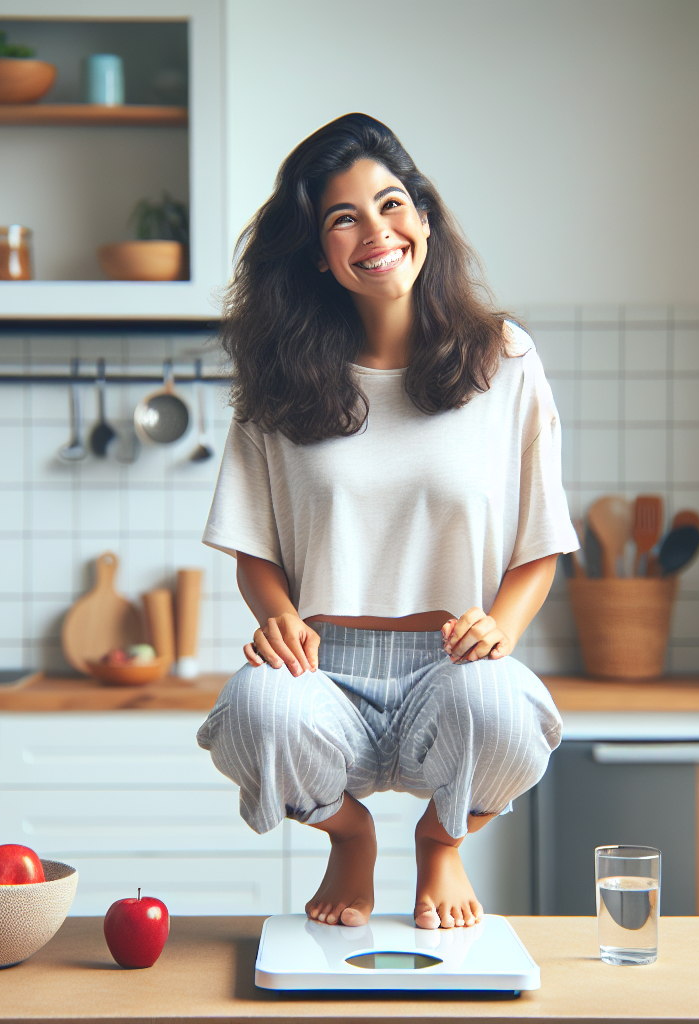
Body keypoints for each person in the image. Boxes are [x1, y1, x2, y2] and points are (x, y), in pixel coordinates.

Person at [197, 113, 578, 930]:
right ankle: (351, 836)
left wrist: (501, 628)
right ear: (318, 252)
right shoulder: (280, 379)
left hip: (451, 664)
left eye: (392, 202)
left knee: (506, 707)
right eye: (344, 219)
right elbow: (252, 545)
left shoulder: (504, 360)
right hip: (323, 671)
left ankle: (442, 844)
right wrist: (278, 621)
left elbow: (540, 542)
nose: (377, 232)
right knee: (256, 706)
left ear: (426, 218)